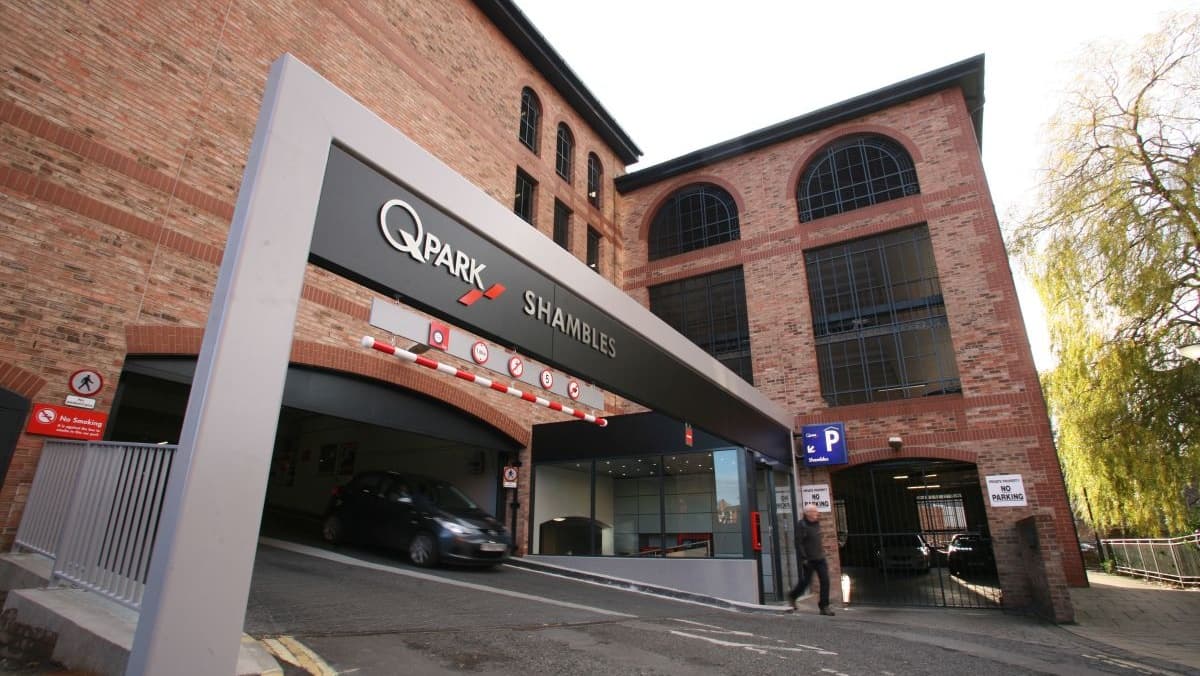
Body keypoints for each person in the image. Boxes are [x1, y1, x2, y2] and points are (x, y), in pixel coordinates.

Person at [787, 503, 835, 616]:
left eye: (816, 511)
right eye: (814, 512)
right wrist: (804, 558)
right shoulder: (801, 525)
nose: (816, 513)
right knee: (806, 582)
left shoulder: (817, 523)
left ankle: (824, 606)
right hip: (809, 559)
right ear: (807, 513)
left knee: (825, 581)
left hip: (820, 558)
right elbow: (798, 543)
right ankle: (793, 595)